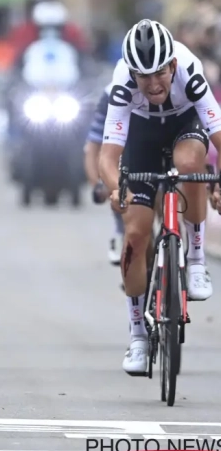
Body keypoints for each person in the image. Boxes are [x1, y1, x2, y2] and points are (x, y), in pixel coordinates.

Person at [99, 19, 221, 375]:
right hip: (141, 135)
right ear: (131, 73)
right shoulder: (122, 82)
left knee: (189, 164)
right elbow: (109, 157)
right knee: (135, 236)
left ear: (172, 66)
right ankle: (137, 334)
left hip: (185, 126)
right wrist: (117, 188)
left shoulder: (190, 73)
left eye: (159, 74)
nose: (153, 84)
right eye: (143, 76)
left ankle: (196, 259)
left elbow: (217, 135)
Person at [84, 83, 124, 265]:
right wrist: (97, 185)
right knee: (116, 175)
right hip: (125, 145)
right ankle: (121, 230)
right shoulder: (110, 96)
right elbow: (93, 147)